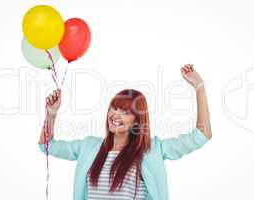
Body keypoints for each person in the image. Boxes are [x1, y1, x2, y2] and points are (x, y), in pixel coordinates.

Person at [38, 64, 212, 200]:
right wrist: (51, 114)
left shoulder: (152, 150)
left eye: (125, 112)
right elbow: (46, 146)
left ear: (137, 120)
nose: (115, 114)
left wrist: (199, 87)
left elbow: (202, 135)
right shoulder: (89, 146)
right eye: (114, 108)